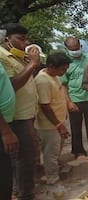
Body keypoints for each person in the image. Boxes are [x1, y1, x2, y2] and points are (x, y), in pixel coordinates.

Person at [0, 23, 40, 200]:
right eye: (20, 39)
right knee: (23, 159)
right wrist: (32, 64)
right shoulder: (3, 57)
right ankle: (26, 195)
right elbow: (12, 85)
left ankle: (20, 191)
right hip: (16, 118)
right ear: (6, 39)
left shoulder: (17, 57)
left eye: (26, 39)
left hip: (27, 115)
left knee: (24, 158)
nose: (25, 43)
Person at [34, 53, 71, 184]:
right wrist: (59, 126)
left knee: (55, 151)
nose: (64, 72)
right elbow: (45, 106)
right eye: (62, 69)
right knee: (50, 154)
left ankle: (54, 173)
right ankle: (52, 180)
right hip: (49, 125)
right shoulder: (43, 81)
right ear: (51, 66)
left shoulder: (54, 76)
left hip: (58, 121)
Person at [61, 36, 88, 158]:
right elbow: (63, 84)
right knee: (75, 127)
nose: (75, 50)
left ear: (80, 47)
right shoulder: (64, 62)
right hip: (74, 97)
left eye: (76, 48)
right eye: (71, 49)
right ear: (66, 49)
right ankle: (78, 151)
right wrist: (68, 102)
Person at [0, 59, 19, 200]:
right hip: (3, 127)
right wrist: (5, 131)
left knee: (6, 170)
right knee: (4, 173)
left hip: (6, 122)